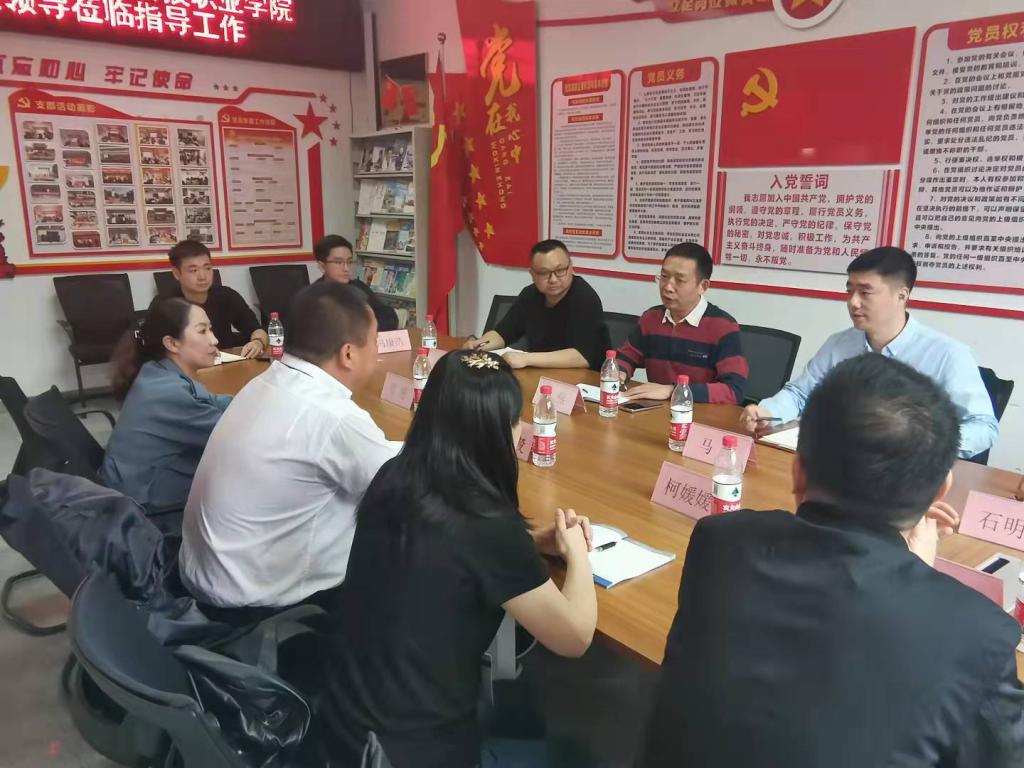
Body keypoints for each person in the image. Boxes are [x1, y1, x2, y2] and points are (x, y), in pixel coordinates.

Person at [641, 354, 1024, 768]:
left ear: (797, 471)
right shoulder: (979, 635)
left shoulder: (719, 541)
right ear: (940, 491)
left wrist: (911, 572)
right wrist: (916, 574)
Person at [319, 350, 598, 767]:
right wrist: (578, 553)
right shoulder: (487, 524)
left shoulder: (395, 475)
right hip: (415, 750)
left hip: (345, 728)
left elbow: (451, 546)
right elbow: (575, 637)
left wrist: (528, 542)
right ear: (499, 434)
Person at [180, 282, 400, 610]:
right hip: (259, 607)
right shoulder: (334, 416)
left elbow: (377, 459)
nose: (378, 353)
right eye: (375, 342)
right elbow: (404, 489)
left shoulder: (267, 381)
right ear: (349, 354)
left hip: (207, 576)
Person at [740, 247, 998, 459]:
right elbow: (801, 394)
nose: (853, 302)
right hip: (839, 463)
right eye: (849, 291)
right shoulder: (839, 344)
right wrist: (768, 411)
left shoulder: (947, 355)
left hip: (907, 475)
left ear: (901, 295)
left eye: (865, 292)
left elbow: (983, 426)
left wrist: (921, 444)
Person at [100, 298, 231, 512]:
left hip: (141, 483)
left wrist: (255, 399)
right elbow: (236, 436)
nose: (214, 339)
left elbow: (212, 400)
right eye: (202, 331)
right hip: (146, 507)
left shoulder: (158, 371)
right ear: (172, 343)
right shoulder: (169, 393)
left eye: (211, 329)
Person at [615, 242, 748, 404]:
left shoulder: (722, 326)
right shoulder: (651, 318)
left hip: (700, 413)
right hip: (655, 411)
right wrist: (619, 373)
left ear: (703, 286)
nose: (668, 287)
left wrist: (674, 390)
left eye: (679, 280)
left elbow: (734, 390)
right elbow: (627, 356)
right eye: (664, 277)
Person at [464, 239, 610, 370]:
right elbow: (503, 333)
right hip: (542, 373)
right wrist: (480, 344)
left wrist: (526, 359)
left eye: (560, 270)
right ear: (532, 274)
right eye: (544, 273)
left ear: (571, 267)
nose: (553, 279)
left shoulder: (584, 298)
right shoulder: (530, 295)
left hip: (587, 380)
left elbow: (581, 356)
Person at [156, 239, 268, 358]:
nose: (202, 276)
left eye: (208, 268)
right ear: (176, 273)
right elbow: (156, 351)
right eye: (193, 270)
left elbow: (256, 330)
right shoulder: (164, 305)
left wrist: (258, 342)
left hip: (225, 363)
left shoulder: (226, 295)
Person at [313, 234, 399, 331]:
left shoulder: (357, 286)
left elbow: (388, 316)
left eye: (349, 262)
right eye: (339, 262)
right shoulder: (312, 297)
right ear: (322, 266)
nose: (346, 268)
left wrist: (367, 330)